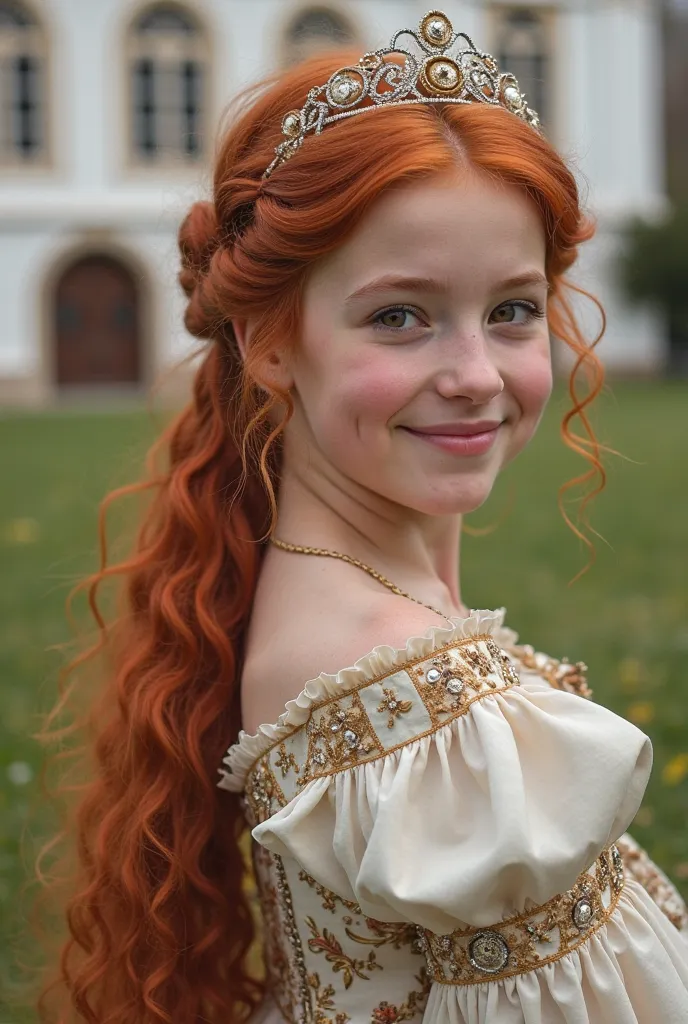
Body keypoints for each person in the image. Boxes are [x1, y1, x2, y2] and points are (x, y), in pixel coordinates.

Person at [35, 10, 688, 1024]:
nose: (475, 375)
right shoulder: (408, 693)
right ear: (272, 342)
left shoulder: (329, 597)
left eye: (513, 308)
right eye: (399, 315)